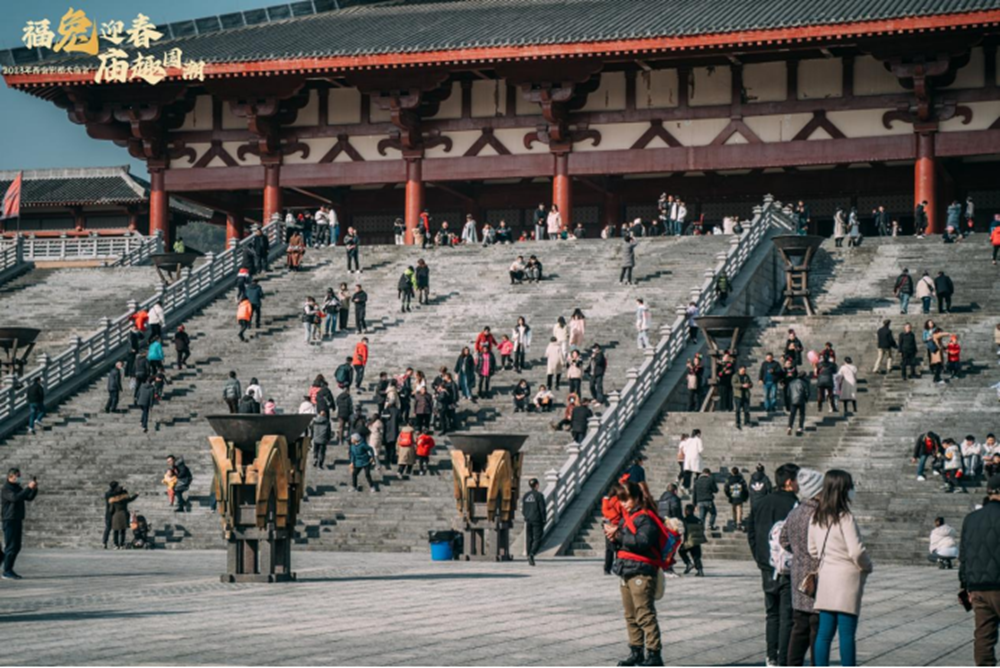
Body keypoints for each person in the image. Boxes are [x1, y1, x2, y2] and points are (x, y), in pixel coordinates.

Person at [809, 469, 873, 668]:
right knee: (846, 633)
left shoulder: (816, 516)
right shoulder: (845, 517)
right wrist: (867, 566)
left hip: (827, 576)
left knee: (824, 634)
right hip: (847, 578)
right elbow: (856, 551)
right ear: (843, 490)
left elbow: (812, 549)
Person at [605, 480, 671, 667]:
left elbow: (641, 542)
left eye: (626, 499)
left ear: (636, 497)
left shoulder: (646, 518)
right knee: (630, 615)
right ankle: (636, 651)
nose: (624, 503)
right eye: (621, 500)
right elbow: (622, 544)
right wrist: (612, 537)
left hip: (641, 571)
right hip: (626, 569)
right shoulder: (627, 518)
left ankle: (654, 653)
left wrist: (618, 535)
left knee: (644, 614)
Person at [747, 462, 800, 668]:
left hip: (766, 565)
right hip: (787, 567)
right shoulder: (794, 505)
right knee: (787, 615)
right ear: (789, 483)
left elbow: (750, 530)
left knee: (772, 612)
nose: (799, 485)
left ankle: (771, 657)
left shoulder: (761, 502)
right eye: (797, 480)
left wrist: (759, 557)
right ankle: (783, 658)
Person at [779, 468, 824, 667]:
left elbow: (783, 539)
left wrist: (798, 553)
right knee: (816, 628)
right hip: (817, 576)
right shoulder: (820, 514)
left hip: (798, 576)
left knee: (799, 627)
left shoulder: (795, 512)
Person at [959, 473, 1000, 666]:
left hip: (978, 590)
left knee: (983, 636)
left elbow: (964, 555)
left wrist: (965, 586)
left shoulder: (971, 519)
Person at [1, 468, 38, 579]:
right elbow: (15, 498)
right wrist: (28, 488)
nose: (19, 477)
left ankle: (8, 566)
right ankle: (7, 571)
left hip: (17, 519)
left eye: (19, 475)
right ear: (10, 477)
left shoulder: (17, 487)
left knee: (16, 546)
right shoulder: (6, 488)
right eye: (17, 476)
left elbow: (28, 497)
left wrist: (34, 489)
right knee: (11, 546)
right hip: (9, 520)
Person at [522, 478, 546, 566]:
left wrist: (526, 516)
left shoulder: (526, 496)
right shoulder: (539, 495)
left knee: (529, 538)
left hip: (528, 520)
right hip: (537, 520)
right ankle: (532, 553)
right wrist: (544, 519)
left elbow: (523, 509)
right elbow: (542, 509)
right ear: (536, 485)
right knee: (537, 538)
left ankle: (528, 554)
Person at [107, 485, 139, 550]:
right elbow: (131, 499)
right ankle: (121, 544)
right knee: (122, 531)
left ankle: (116, 544)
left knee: (115, 531)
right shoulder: (125, 499)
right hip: (124, 515)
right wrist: (136, 495)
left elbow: (111, 510)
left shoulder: (113, 501)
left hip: (116, 516)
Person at [679, 503, 706, 577]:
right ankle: (700, 571)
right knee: (696, 556)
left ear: (687, 511)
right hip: (697, 541)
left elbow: (683, 530)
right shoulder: (698, 520)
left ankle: (688, 563)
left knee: (681, 551)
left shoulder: (685, 520)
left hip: (689, 541)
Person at [603, 483, 625, 575]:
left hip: (607, 526)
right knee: (619, 548)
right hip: (617, 526)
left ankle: (607, 568)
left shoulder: (606, 501)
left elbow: (604, 512)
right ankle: (618, 566)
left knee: (609, 549)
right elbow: (623, 514)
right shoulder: (619, 501)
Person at [724, 467, 749, 532]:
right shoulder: (741, 479)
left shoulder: (729, 479)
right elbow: (745, 488)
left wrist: (728, 495)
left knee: (734, 508)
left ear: (732, 472)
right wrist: (745, 497)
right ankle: (738, 522)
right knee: (739, 508)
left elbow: (726, 488)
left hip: (732, 496)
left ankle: (735, 520)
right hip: (740, 496)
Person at [733, 365, 753, 429]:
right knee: (738, 410)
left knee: (747, 410)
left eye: (744, 370)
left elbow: (751, 383)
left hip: (746, 395)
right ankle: (738, 422)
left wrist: (749, 385)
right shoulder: (735, 376)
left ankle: (747, 421)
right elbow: (734, 384)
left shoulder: (746, 376)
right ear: (739, 369)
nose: (744, 371)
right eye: (742, 370)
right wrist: (742, 385)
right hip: (738, 395)